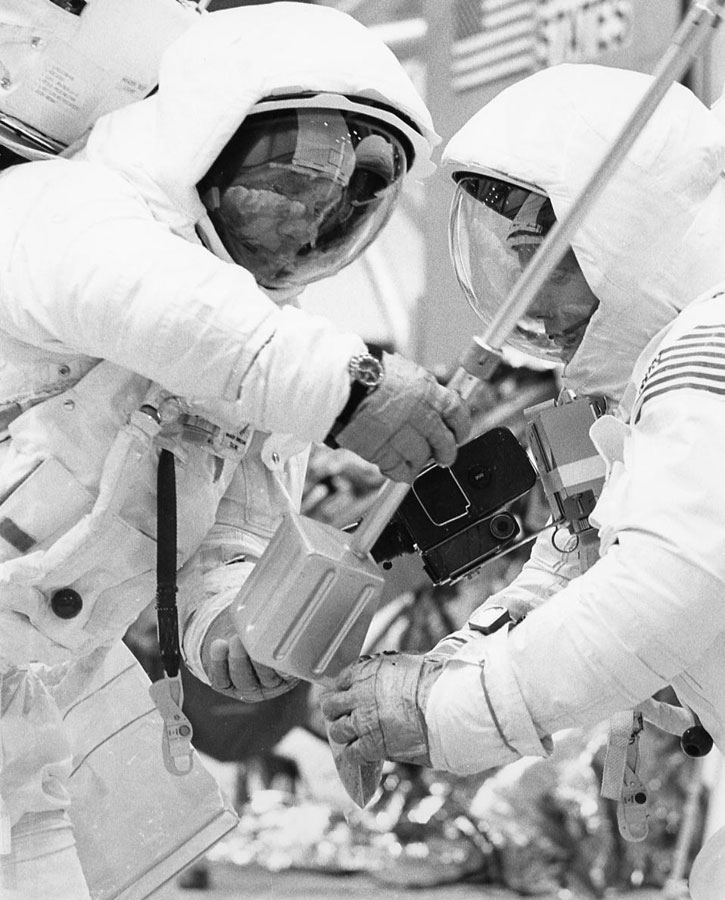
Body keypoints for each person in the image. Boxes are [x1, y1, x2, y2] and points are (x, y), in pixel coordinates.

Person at [0, 3, 470, 898]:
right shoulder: (52, 212)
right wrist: (348, 390)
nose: (306, 223)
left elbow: (234, 525)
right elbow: (139, 297)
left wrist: (229, 628)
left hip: (32, 721)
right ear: (197, 140)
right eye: (285, 185)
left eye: (344, 204)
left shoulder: (258, 354)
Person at [321, 61, 725, 873]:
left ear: (629, 234)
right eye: (516, 265)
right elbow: (581, 557)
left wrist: (452, 711)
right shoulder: (649, 379)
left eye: (551, 262)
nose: (532, 300)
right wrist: (442, 670)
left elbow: (669, 582)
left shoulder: (704, 354)